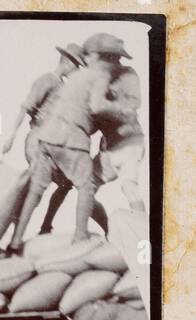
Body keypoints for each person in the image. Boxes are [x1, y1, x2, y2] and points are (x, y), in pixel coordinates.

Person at [7, 43, 110, 253]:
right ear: (67, 62)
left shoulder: (67, 88)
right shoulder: (47, 80)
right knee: (46, 187)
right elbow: (26, 108)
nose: (77, 70)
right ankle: (75, 234)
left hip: (49, 139)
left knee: (55, 186)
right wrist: (10, 137)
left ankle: (37, 230)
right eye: (76, 66)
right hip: (38, 139)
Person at [84, 32, 146, 214]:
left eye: (93, 57)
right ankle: (108, 232)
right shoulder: (99, 80)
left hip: (129, 143)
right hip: (109, 147)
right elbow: (94, 121)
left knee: (129, 188)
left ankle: (142, 233)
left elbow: (133, 105)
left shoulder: (128, 75)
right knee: (86, 189)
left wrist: (103, 101)